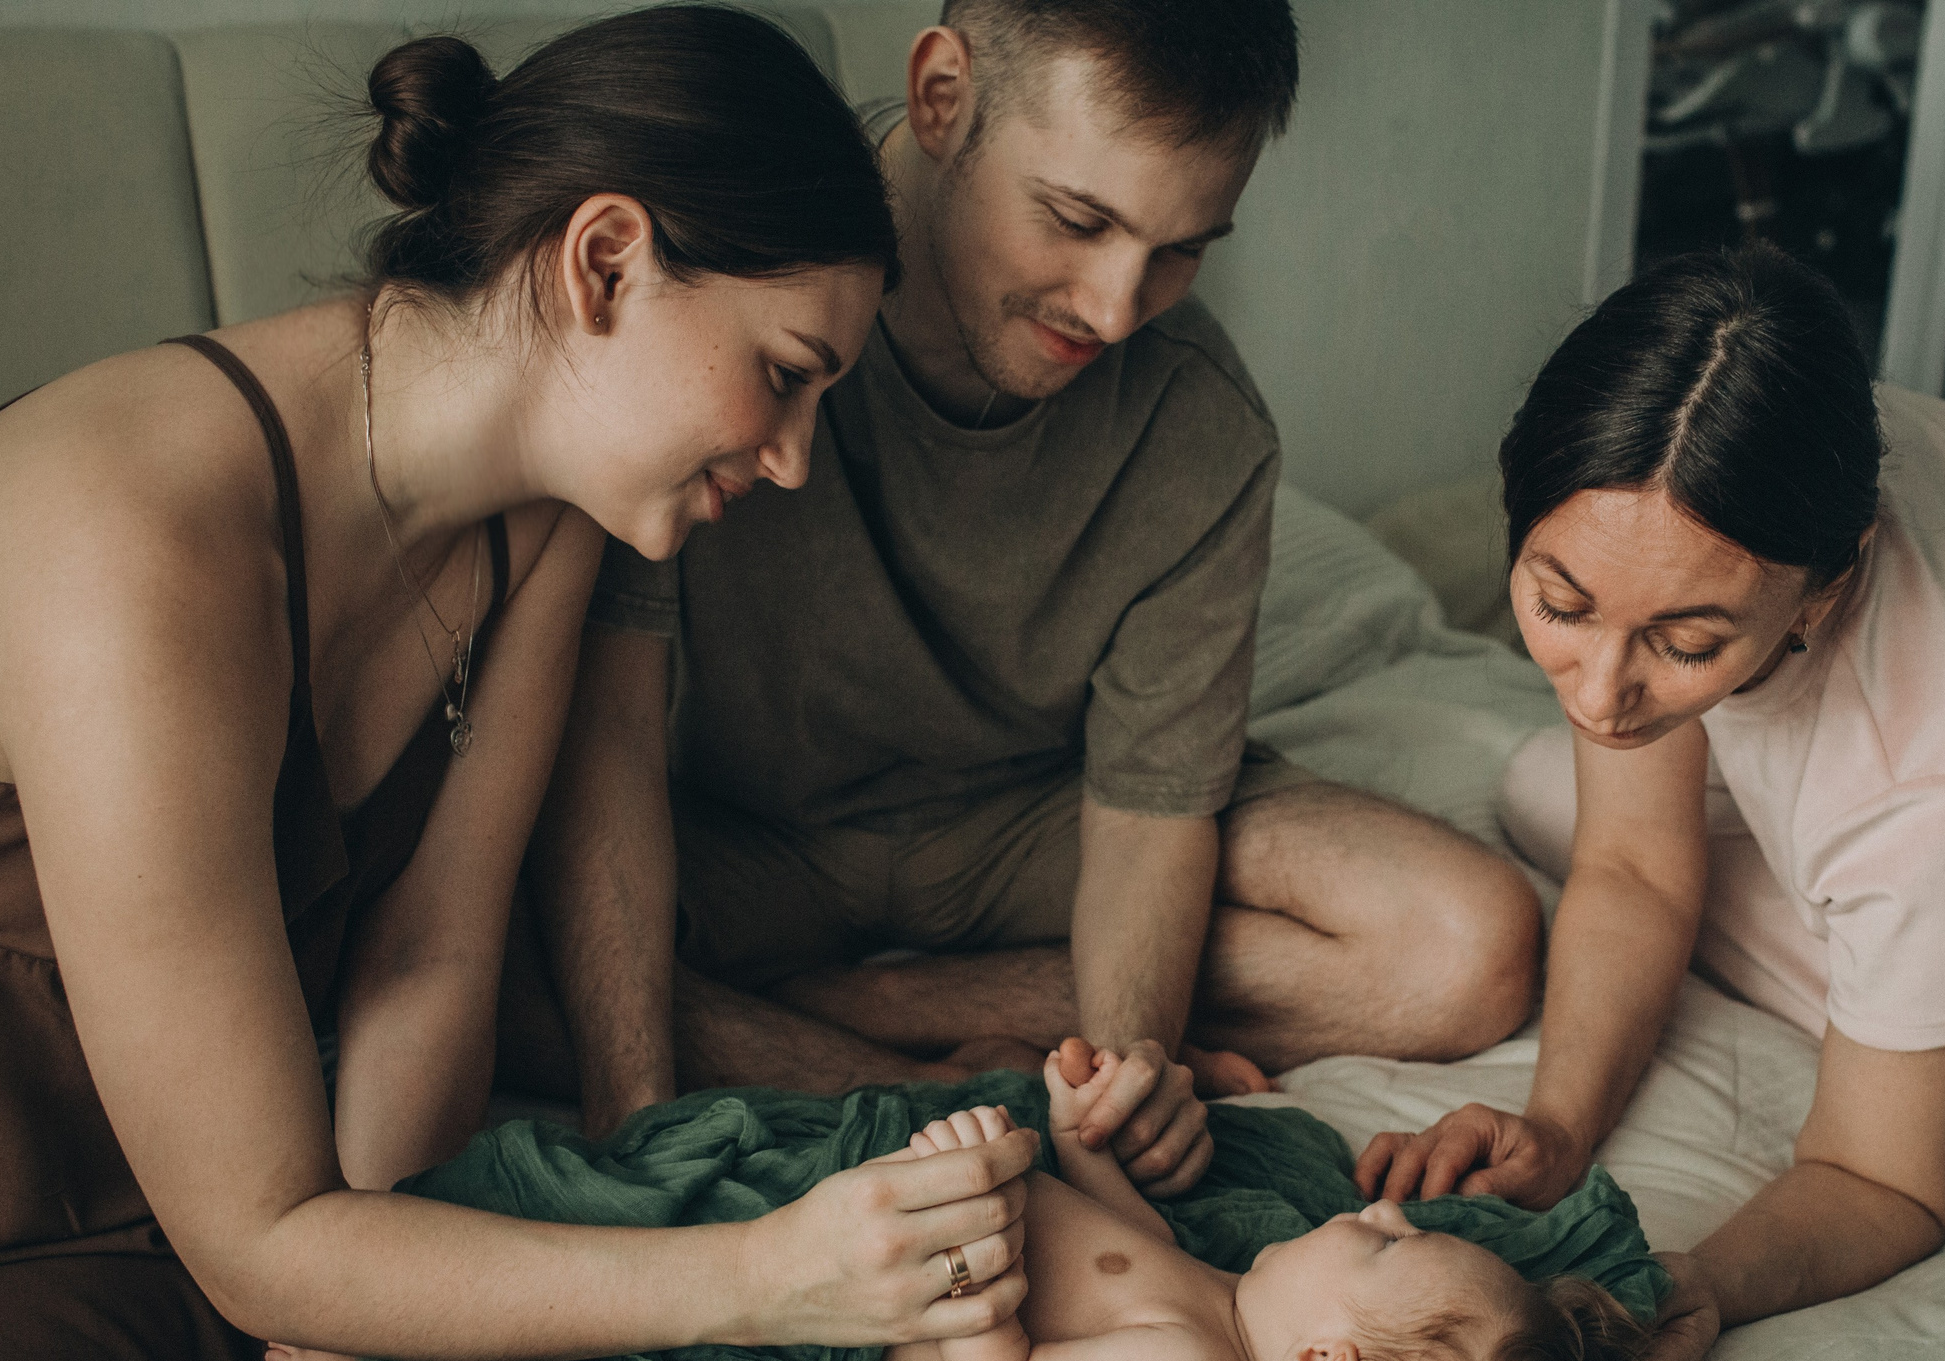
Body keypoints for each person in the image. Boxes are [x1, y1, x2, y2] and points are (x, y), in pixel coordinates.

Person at [0, 7, 1033, 1361]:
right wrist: (762, 1275)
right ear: (604, 261)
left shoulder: (545, 523)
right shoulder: (133, 534)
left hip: (225, 1197)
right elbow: (256, 1228)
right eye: (783, 375)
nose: (797, 461)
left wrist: (357, 1346)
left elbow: (431, 958)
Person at [503, 0, 1543, 1198]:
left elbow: (1148, 814)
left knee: (1465, 948)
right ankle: (897, 1073)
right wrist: (638, 1122)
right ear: (941, 97)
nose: (1113, 309)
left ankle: (865, 1006)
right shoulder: (729, 289)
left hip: (1034, 823)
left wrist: (1126, 1067)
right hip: (742, 839)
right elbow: (609, 739)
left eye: (1180, 250)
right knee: (473, 952)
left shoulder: (1197, 422)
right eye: (1078, 220)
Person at [1356, 246, 1945, 1361]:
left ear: (1826, 589)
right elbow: (1635, 866)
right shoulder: (1758, 434)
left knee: (1593, 807)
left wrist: (1704, 1280)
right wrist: (1554, 1129)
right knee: (1544, 787)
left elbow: (1878, 1179)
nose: (1598, 692)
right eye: (1560, 605)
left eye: (1684, 643)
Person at [279, 1051, 1651, 1361]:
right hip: (892, 1209)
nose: (1386, 1208)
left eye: (1389, 1249)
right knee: (623, 1202)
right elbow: (1126, 1233)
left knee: (617, 1360)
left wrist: (974, 1243)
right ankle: (400, 1283)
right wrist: (1080, 1139)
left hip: (868, 1296)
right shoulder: (1229, 1301)